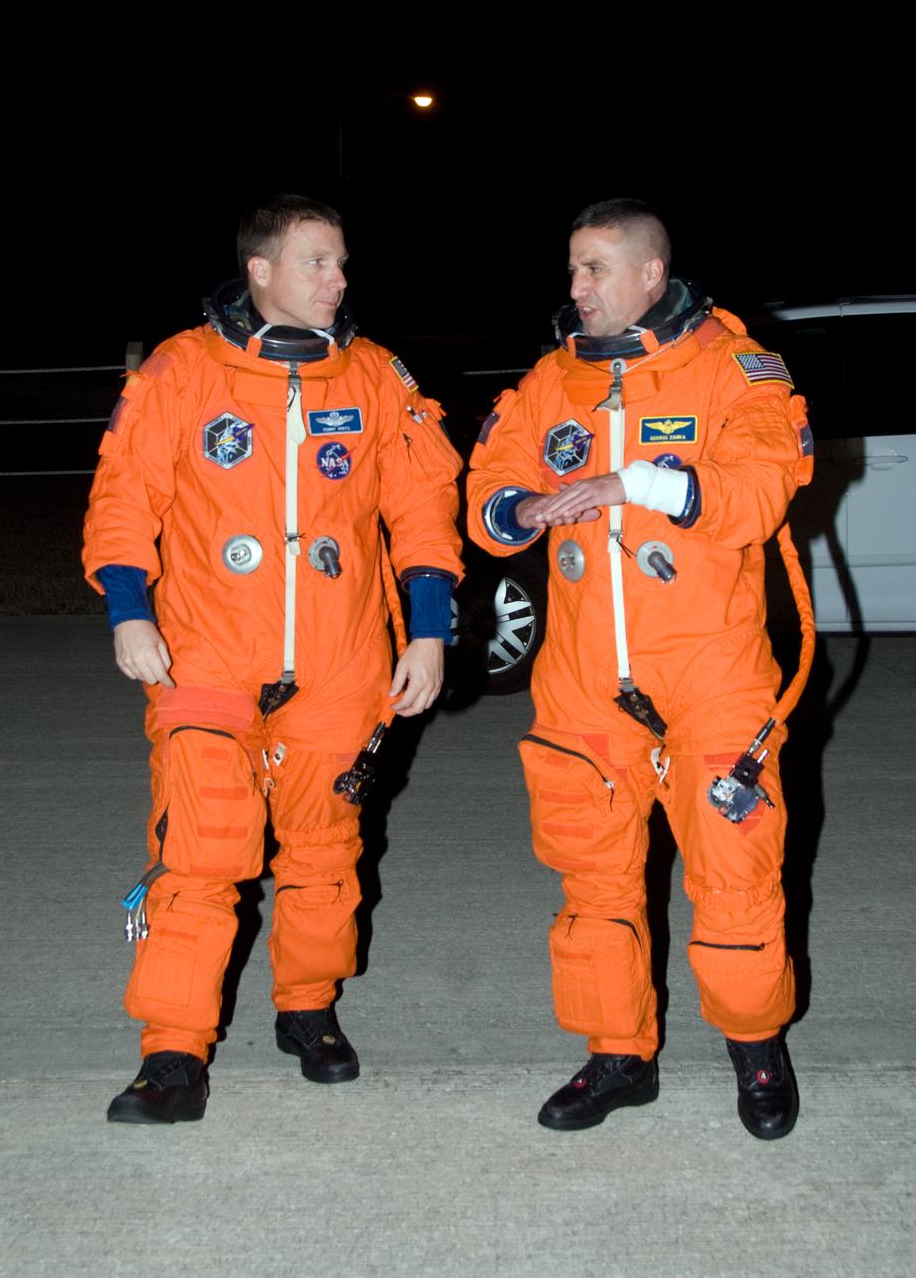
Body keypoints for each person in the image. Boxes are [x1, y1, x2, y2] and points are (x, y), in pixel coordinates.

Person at [83, 194, 463, 1123]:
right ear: (260, 270)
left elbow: (422, 508)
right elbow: (125, 495)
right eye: (317, 263)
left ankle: (309, 1008)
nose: (338, 281)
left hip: (339, 663)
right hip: (204, 654)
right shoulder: (182, 371)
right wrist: (128, 610)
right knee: (202, 854)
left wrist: (428, 628)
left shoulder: (374, 376)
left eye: (340, 264)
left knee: (327, 854)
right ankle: (172, 1054)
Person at [466, 199, 813, 1140]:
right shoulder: (551, 382)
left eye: (595, 270)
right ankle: (618, 1055)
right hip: (585, 680)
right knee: (594, 882)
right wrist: (517, 511)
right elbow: (488, 480)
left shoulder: (736, 371)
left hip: (709, 671)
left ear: (652, 274)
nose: (575, 289)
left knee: (735, 877)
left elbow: (758, 487)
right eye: (572, 270)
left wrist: (634, 484)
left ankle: (755, 1048)